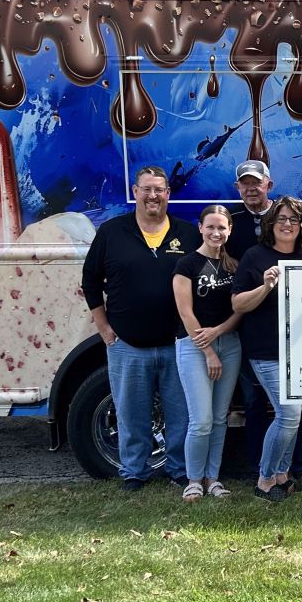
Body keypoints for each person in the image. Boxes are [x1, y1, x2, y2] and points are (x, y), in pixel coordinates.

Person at [81, 166, 199, 492]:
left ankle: (179, 470)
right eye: (146, 189)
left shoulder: (188, 235)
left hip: (178, 344)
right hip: (127, 344)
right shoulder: (112, 232)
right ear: (135, 192)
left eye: (159, 189)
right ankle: (134, 472)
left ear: (168, 194)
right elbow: (90, 282)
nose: (152, 196)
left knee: (181, 415)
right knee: (131, 415)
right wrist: (104, 329)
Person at [226, 160, 302, 485]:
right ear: (272, 223)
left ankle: (284, 473)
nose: (287, 224)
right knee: (284, 413)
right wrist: (264, 286)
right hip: (264, 350)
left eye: (293, 219)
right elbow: (237, 302)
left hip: (300, 353)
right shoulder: (255, 256)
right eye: (281, 219)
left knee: (294, 414)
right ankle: (264, 475)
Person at [172, 205, 244, 502]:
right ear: (200, 228)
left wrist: (220, 332)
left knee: (219, 417)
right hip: (193, 346)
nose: (216, 233)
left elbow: (239, 310)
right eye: (211, 227)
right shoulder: (186, 265)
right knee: (200, 419)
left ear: (229, 231)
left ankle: (213, 479)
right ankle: (193, 480)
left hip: (229, 344)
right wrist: (208, 351)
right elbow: (186, 313)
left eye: (222, 228)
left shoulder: (233, 267)